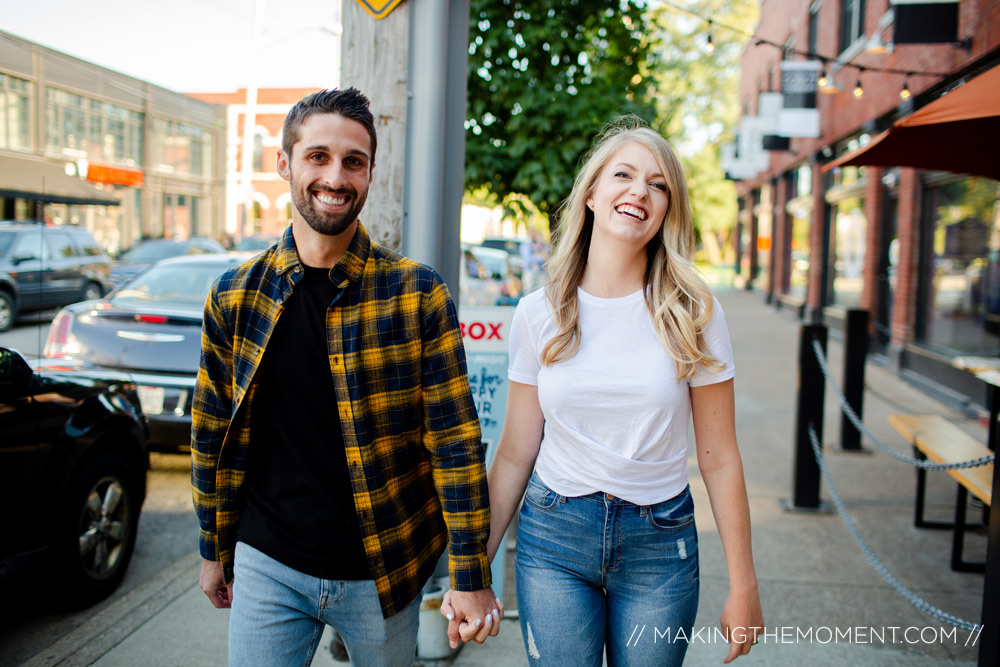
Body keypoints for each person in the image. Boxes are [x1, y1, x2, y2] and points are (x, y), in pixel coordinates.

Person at [191, 87, 500, 666]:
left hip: (384, 569)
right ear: (284, 164)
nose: (336, 176)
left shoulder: (416, 292)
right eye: (318, 157)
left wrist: (470, 572)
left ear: (370, 174)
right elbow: (210, 432)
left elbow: (455, 442)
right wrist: (213, 548)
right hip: (268, 563)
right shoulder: (235, 295)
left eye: (353, 162)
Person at [443, 117, 763, 664]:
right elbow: (517, 452)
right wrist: (473, 574)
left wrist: (744, 586)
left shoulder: (694, 312)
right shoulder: (539, 313)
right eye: (624, 174)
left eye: (658, 184)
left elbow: (719, 456)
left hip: (661, 544)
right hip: (554, 538)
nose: (641, 190)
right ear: (592, 193)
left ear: (667, 209)